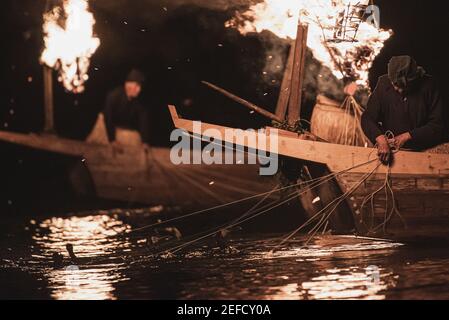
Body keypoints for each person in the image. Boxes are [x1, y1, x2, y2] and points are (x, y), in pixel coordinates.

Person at [361, 56, 444, 163]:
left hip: (422, 154)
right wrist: (380, 139)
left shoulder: (429, 86)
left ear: (414, 80)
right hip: (390, 152)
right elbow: (367, 118)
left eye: (403, 86)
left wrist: (408, 136)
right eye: (394, 84)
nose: (397, 89)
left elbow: (437, 125)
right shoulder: (383, 83)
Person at [103, 69, 151, 146]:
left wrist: (145, 141)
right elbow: (108, 117)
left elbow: (144, 121)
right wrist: (112, 140)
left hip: (125, 131)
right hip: (107, 130)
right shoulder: (113, 96)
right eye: (137, 86)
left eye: (140, 86)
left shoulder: (139, 102)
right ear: (128, 85)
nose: (139, 90)